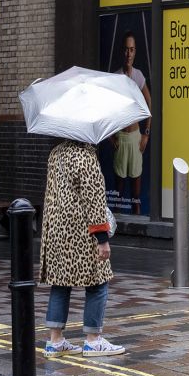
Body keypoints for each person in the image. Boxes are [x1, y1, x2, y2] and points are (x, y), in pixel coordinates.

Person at [40, 140, 125, 357]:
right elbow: (94, 201)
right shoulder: (86, 158)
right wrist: (102, 238)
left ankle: (55, 341)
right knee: (98, 282)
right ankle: (93, 340)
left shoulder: (56, 153)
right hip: (82, 231)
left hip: (57, 229)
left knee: (60, 283)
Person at [111, 31, 151, 213]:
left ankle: (139, 232)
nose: (128, 54)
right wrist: (111, 138)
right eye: (126, 49)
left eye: (132, 50)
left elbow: (149, 103)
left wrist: (146, 134)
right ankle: (117, 235)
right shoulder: (115, 77)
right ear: (122, 51)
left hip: (135, 138)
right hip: (121, 138)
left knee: (136, 196)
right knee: (118, 194)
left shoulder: (138, 76)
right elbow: (107, 109)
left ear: (135, 52)